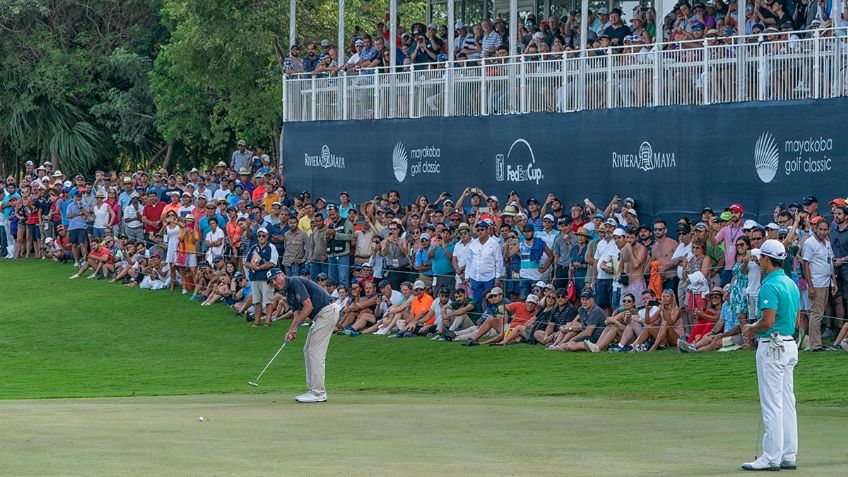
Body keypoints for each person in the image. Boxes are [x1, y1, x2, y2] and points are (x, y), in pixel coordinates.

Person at [741, 239, 799, 472]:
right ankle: (788, 454)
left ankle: (771, 457)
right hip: (788, 344)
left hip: (772, 345)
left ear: (767, 259)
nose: (758, 261)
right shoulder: (790, 282)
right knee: (787, 401)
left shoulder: (769, 285)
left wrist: (750, 328)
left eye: (760, 258)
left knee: (772, 403)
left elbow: (768, 321)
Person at [267, 267, 340, 403]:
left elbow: (308, 306)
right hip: (321, 316)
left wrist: (294, 327)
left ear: (282, 275)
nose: (275, 283)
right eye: (271, 282)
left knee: (315, 352)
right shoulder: (289, 294)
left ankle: (318, 393)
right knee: (307, 350)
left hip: (327, 311)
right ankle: (312, 390)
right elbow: (297, 315)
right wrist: (291, 330)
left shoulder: (295, 281)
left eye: (275, 278)